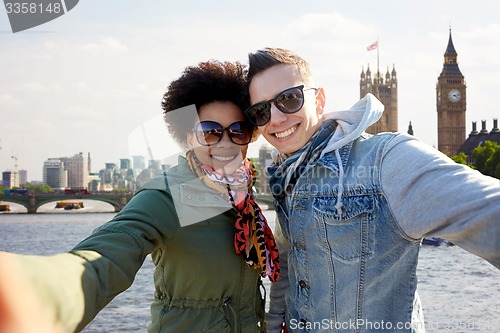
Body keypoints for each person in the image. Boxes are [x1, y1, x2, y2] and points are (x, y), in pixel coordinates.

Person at [0, 60, 280, 333]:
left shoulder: (242, 197)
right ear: (187, 138)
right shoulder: (168, 196)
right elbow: (106, 256)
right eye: (209, 132)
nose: (225, 143)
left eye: (238, 131)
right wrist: (30, 293)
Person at [244, 47, 500, 333]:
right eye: (261, 110)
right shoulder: (287, 174)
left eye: (289, 99)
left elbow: (489, 209)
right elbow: (289, 267)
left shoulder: (385, 159)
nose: (276, 118)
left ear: (319, 101)